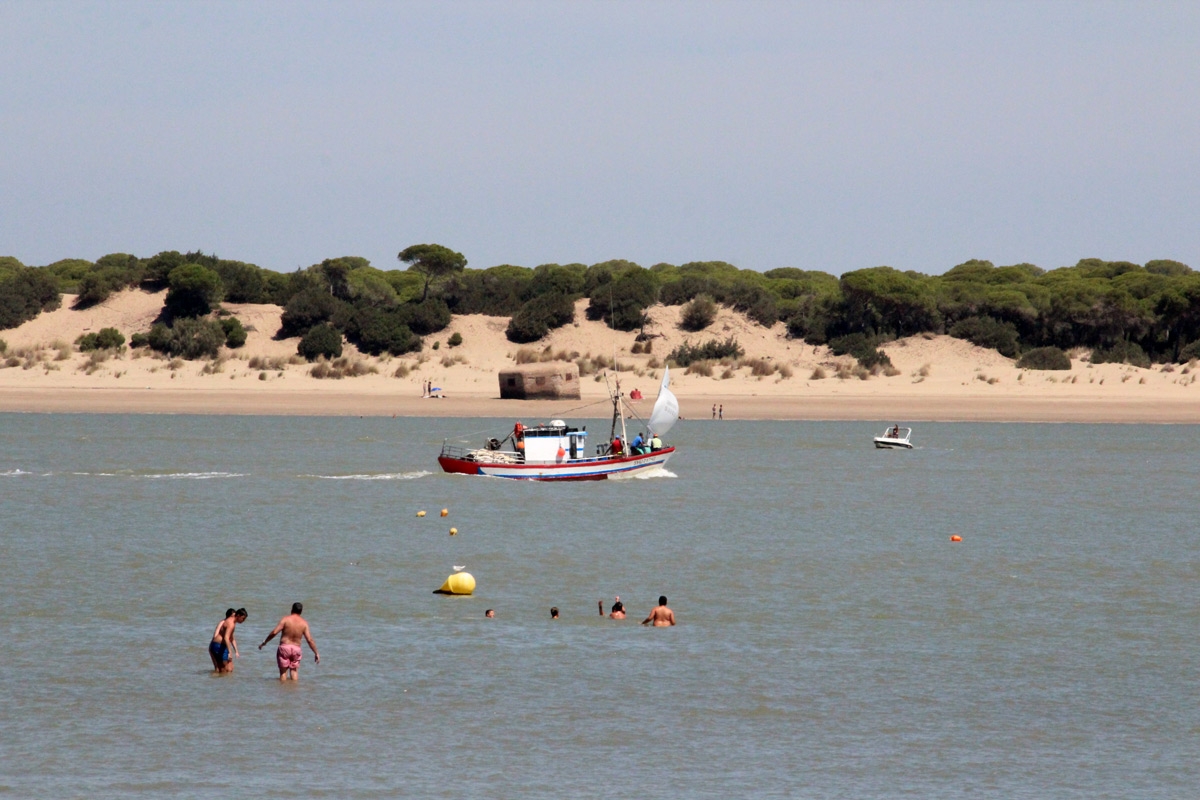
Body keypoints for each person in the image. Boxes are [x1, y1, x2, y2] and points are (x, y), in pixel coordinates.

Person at [259, 602, 319, 681]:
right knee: (294, 672)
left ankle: (283, 692)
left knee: (283, 673)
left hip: (285, 648)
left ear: (291, 610)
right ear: (301, 612)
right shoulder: (304, 623)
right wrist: (316, 653)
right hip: (296, 649)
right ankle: (294, 691)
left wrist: (264, 642)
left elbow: (274, 632)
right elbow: (309, 640)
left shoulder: (286, 620)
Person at [209, 608, 237, 674]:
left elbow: (231, 638)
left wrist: (236, 650)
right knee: (220, 668)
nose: (234, 617)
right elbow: (215, 635)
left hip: (217, 646)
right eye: (233, 616)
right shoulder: (224, 622)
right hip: (217, 646)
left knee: (223, 668)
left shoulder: (228, 623)